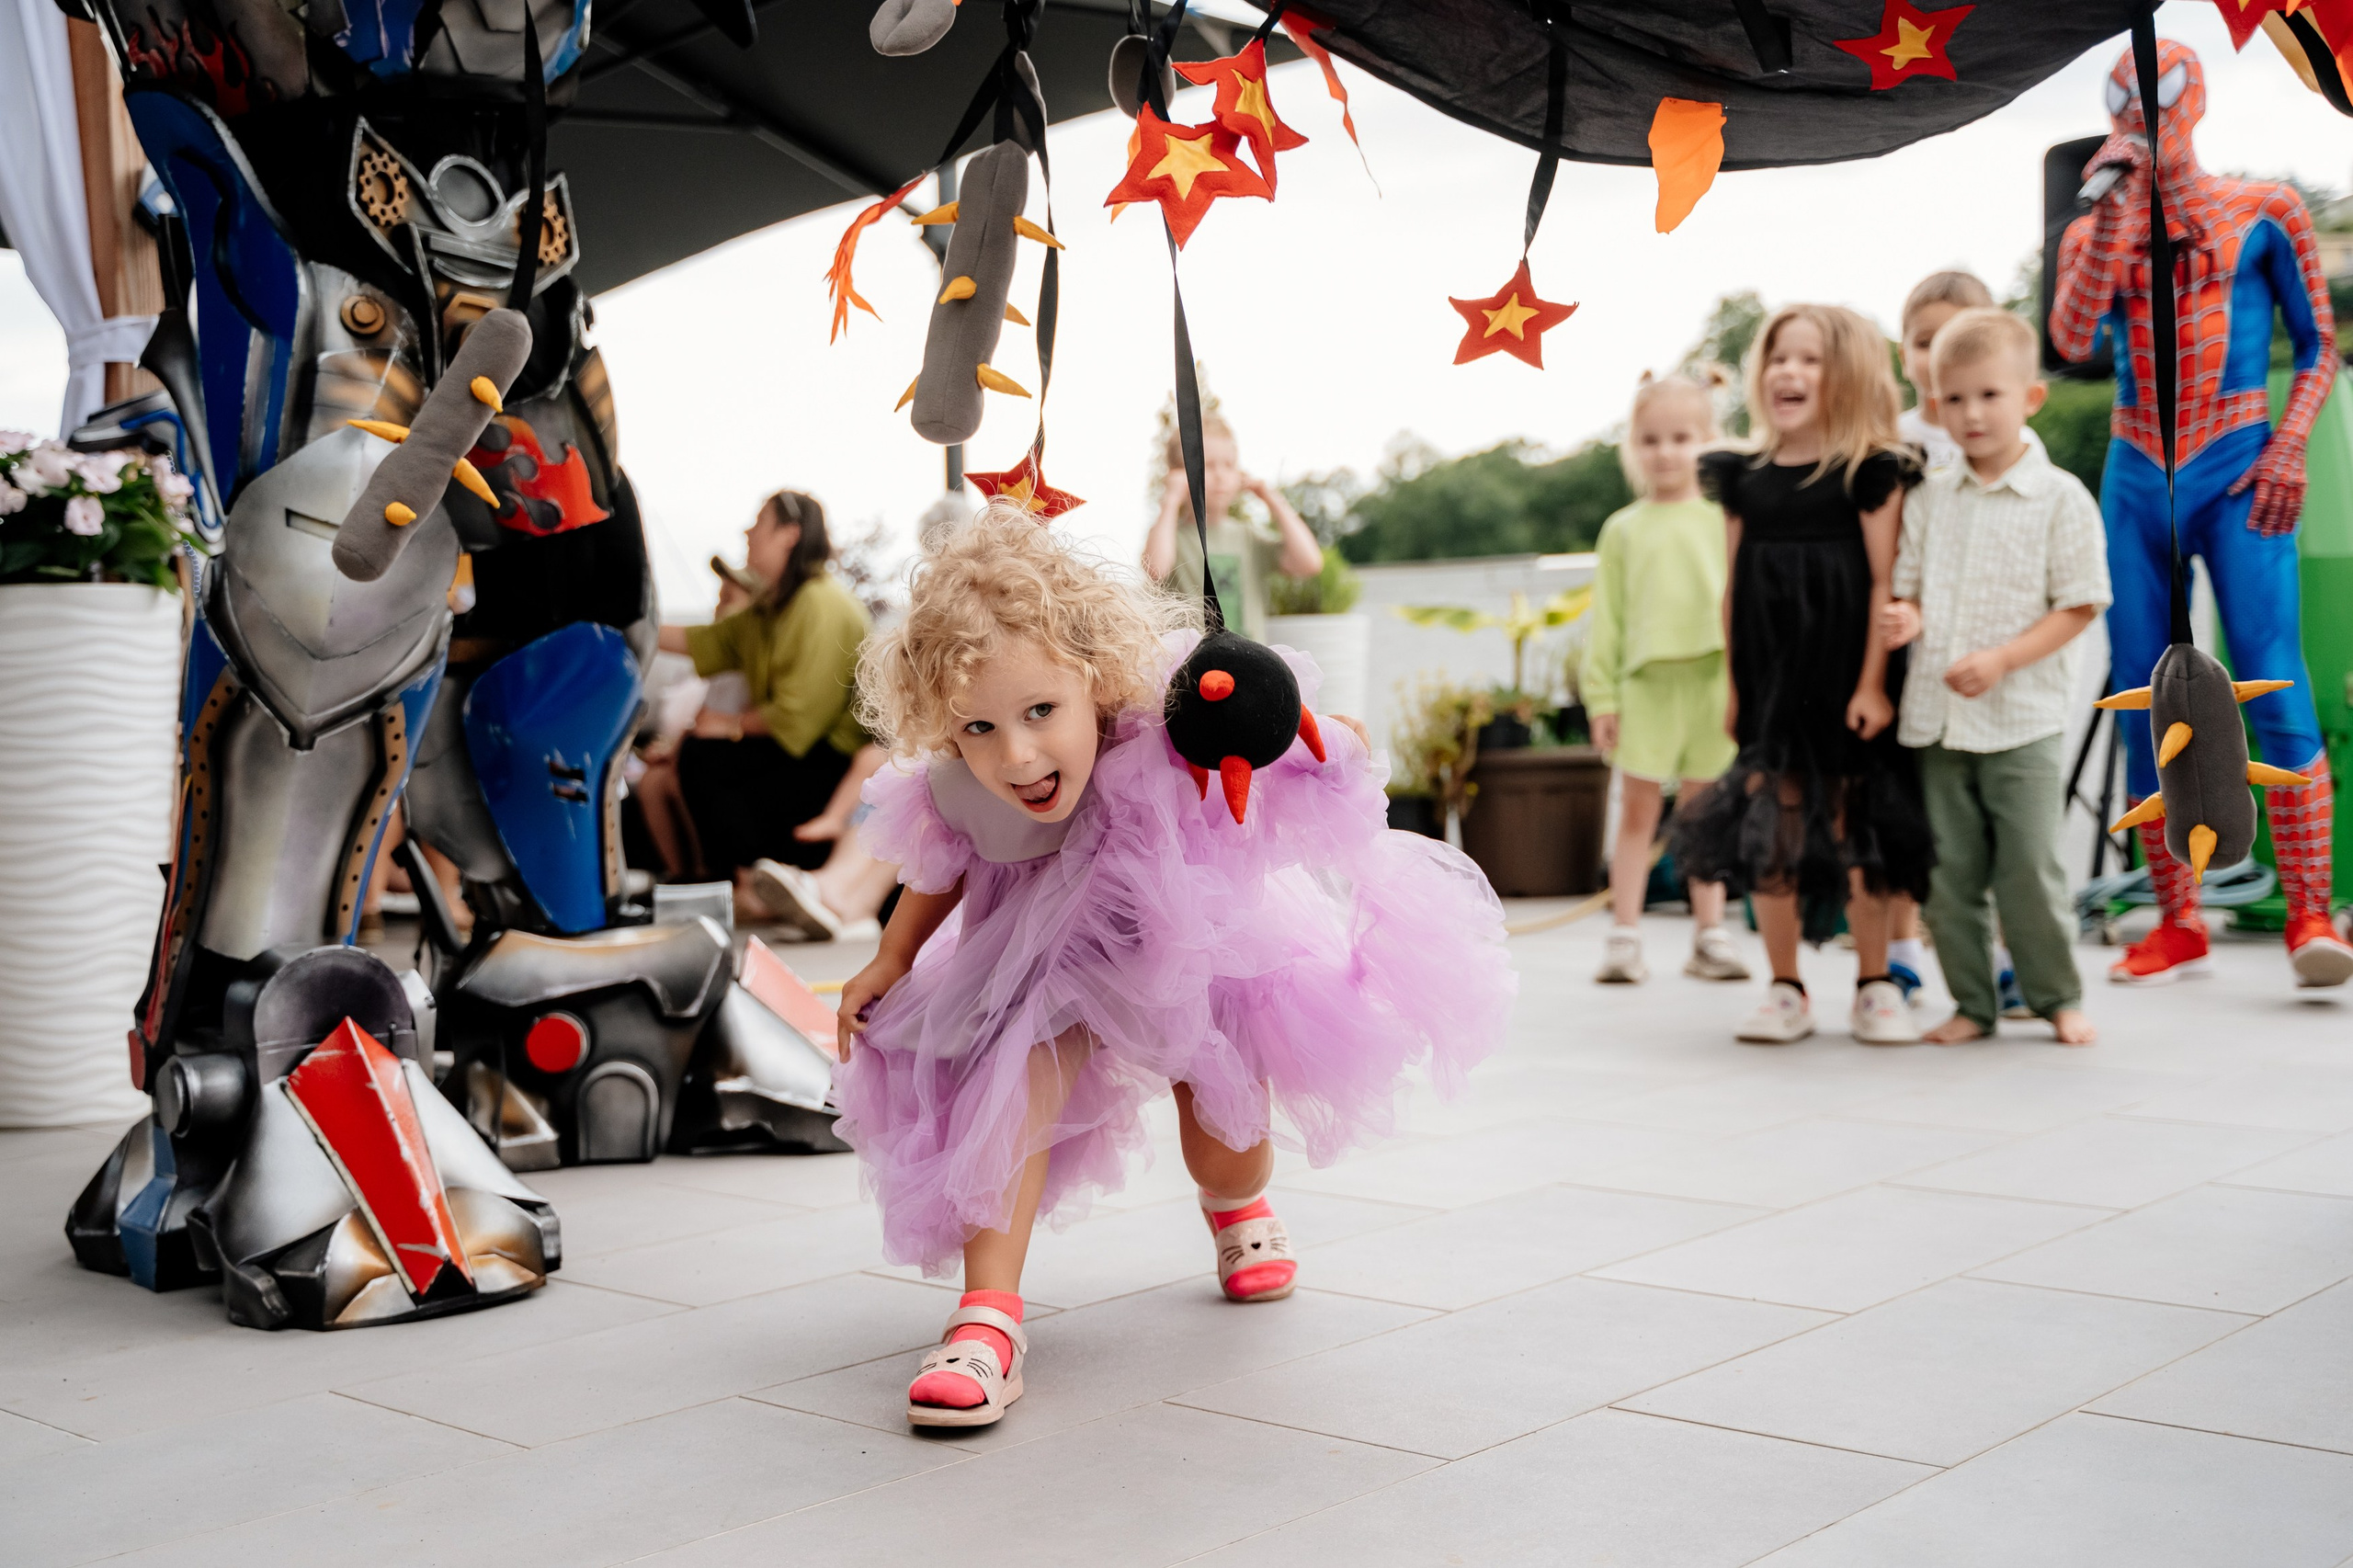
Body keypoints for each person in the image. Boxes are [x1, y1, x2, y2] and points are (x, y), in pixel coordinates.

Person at [831, 506, 1510, 1429]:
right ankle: (987, 1315)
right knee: (1007, 1083)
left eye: (1041, 711)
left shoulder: (1162, 729)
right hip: (1043, 959)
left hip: (1192, 947)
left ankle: (1236, 1200)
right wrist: (893, 954)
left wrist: (1311, 734)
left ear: (1093, 677)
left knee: (1223, 1131)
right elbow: (948, 864)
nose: (1018, 753)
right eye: (979, 727)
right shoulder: (959, 784)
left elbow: (1279, 743)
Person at [2050, 40, 2351, 990]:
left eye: (2154, 94)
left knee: (2271, 669)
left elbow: (2318, 345)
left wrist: (2291, 443)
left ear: (2196, 98)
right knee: (2144, 687)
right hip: (2137, 468)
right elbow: (2067, 339)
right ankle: (2174, 915)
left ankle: (2310, 911)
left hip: (2240, 462)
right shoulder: (2091, 226)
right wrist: (2105, 215)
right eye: (2123, 100)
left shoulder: (2264, 210)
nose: (2140, 112)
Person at [1672, 303, 1935, 1046]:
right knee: (1772, 831)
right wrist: (1732, 688)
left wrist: (1873, 684)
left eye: (1810, 359)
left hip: (1848, 678)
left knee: (1859, 830)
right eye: (1779, 358)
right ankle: (1784, 986)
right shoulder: (1742, 476)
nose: (1790, 371)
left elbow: (1887, 582)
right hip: (1771, 681)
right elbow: (1731, 589)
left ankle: (1875, 982)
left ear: (1846, 374)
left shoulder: (1870, 471)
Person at [1882, 309, 2108, 1047]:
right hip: (1937, 720)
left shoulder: (2062, 498)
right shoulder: (1929, 497)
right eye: (1955, 399)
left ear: (2029, 398)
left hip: (2023, 720)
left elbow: (2079, 605)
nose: (1972, 414)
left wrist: (2004, 659)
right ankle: (1972, 1005)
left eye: (1989, 395)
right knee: (1949, 875)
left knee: (2030, 872)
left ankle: (2056, 996)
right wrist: (1905, 620)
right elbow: (1908, 587)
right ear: (1935, 405)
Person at [1895, 268, 2049, 1017]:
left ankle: (2018, 961)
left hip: (2001, 665)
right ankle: (1908, 954)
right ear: (1905, 353)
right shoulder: (1896, 442)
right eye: (1925, 342)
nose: (1941, 358)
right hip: (1918, 655)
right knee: (1930, 829)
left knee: (2011, 834)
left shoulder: (2023, 449)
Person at [1584, 369, 1750, 986]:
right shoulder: (1623, 528)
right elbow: (1609, 622)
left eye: (1682, 437)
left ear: (1709, 439)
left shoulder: (1723, 516)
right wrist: (1602, 697)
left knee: (1705, 813)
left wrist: (1744, 683)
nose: (1666, 452)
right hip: (1645, 687)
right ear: (1634, 445)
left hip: (1713, 679)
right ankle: (1624, 936)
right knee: (1638, 814)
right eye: (1651, 439)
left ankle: (1710, 935)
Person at [658, 492, 870, 921]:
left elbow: (798, 719)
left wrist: (730, 724)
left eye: (759, 523)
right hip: (797, 755)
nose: (747, 532)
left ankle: (758, 884)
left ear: (790, 535)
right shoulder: (771, 609)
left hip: (831, 763)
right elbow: (702, 641)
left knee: (706, 755)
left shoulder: (819, 602)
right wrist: (627, 625)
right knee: (696, 754)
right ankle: (746, 883)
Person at [1141, 412, 1322, 641]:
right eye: (1207, 465)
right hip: (1193, 669)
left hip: (1249, 665)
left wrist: (1271, 499)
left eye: (1229, 465)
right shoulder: (1170, 537)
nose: (1221, 476)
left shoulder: (1248, 537)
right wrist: (1171, 500)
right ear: (1180, 474)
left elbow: (1309, 563)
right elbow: (1155, 569)